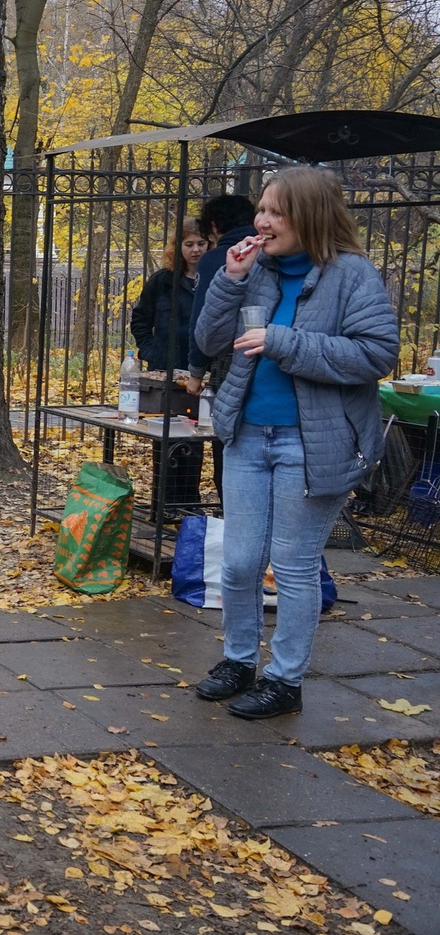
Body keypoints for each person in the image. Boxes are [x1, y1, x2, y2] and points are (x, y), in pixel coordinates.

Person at [191, 166, 398, 720]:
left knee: (293, 565)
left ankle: (285, 681)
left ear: (310, 216)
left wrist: (284, 341)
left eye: (275, 212)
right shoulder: (255, 270)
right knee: (239, 563)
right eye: (261, 209)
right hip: (247, 437)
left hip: (313, 445)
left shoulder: (351, 275)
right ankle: (239, 661)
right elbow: (209, 341)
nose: (261, 221)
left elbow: (376, 354)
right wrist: (230, 279)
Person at [129, 217, 209, 517]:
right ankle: (164, 502)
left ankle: (189, 501)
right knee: (165, 434)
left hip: (201, 369)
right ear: (177, 247)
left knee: (196, 435)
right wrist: (150, 350)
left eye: (201, 243)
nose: (196, 250)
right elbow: (140, 319)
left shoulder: (214, 280)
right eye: (189, 244)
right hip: (165, 368)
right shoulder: (162, 281)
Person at [184, 192, 259, 393]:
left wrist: (196, 371)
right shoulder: (270, 252)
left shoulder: (215, 259)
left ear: (214, 226)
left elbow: (202, 317)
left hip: (230, 358)